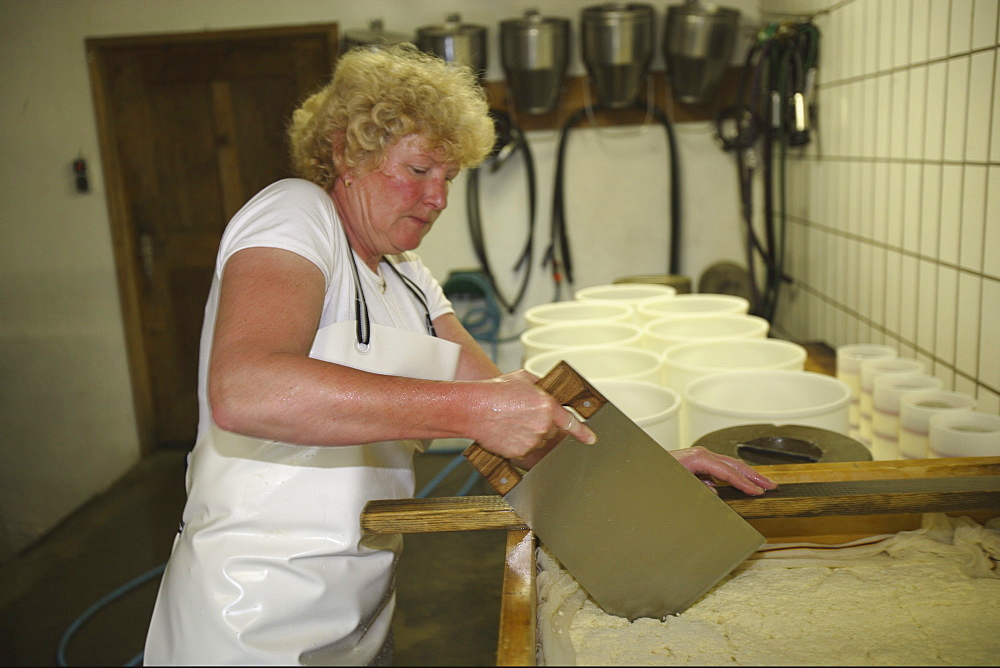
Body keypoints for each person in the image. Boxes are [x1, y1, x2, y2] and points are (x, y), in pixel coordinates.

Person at [143, 43, 775, 666]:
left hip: (359, 609)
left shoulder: (411, 278)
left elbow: (515, 409)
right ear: (344, 150)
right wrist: (469, 411)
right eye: (419, 171)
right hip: (250, 618)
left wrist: (650, 469)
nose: (439, 197)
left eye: (449, 176)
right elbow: (245, 388)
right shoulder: (295, 215)